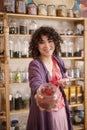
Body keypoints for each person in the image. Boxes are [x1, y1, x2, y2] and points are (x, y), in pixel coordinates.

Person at [26, 26, 73, 130]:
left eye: (50, 41)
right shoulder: (35, 65)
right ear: (36, 46)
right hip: (46, 113)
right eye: (42, 42)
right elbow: (36, 85)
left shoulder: (58, 61)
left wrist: (65, 81)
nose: (47, 45)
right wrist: (40, 93)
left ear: (55, 42)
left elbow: (64, 77)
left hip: (61, 109)